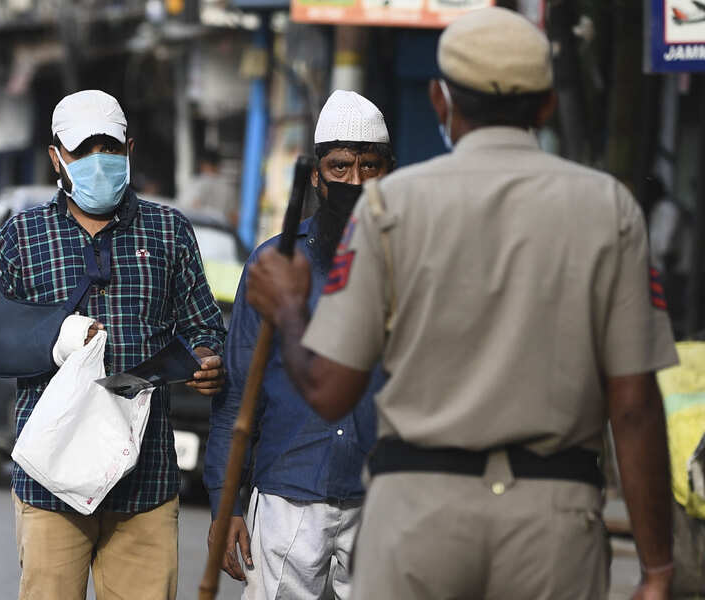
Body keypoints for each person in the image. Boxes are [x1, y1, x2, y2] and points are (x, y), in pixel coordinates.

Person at [245, 8, 678, 600]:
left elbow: (331, 390)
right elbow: (634, 406)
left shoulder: (390, 209)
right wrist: (657, 568)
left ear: (441, 102)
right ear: (547, 105)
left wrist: (292, 309)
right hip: (552, 519)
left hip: (419, 514)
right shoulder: (610, 210)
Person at [0, 90, 226, 600]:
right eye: (83, 150)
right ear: (56, 157)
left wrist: (208, 361)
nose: (99, 161)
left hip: (146, 485)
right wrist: (60, 337)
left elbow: (207, 329)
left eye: (109, 149)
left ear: (129, 149)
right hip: (51, 486)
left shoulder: (170, 232)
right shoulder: (21, 236)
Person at [203, 90, 394, 599]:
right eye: (341, 168)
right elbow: (236, 398)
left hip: (381, 500)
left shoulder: (413, 261)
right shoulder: (274, 266)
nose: (356, 181)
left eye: (370, 167)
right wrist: (229, 506)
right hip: (288, 497)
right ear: (316, 176)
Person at [176, 148, 238, 227]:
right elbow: (234, 218)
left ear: (202, 165)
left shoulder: (196, 183)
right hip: (221, 234)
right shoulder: (228, 188)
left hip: (201, 232)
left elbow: (186, 209)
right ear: (218, 165)